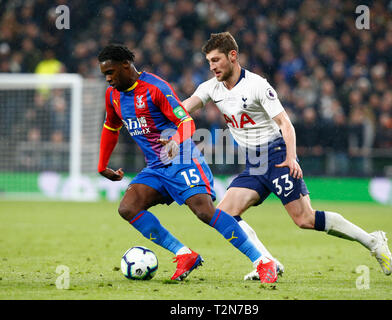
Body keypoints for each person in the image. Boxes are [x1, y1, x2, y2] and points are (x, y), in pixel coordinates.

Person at [182, 32, 392, 280]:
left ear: (232, 56)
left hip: (276, 154)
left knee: (305, 219)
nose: (212, 66)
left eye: (216, 60)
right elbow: (185, 107)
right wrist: (160, 111)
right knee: (224, 215)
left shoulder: (257, 85)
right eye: (209, 61)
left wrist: (291, 158)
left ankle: (373, 241)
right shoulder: (210, 88)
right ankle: (266, 262)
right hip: (254, 162)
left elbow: (285, 123)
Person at [97, 44, 277, 283]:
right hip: (156, 167)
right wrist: (102, 165)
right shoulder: (113, 95)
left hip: (182, 159)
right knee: (128, 208)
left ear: (125, 65)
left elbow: (186, 122)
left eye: (111, 72)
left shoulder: (156, 88)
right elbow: (111, 127)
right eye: (104, 74)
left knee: (204, 212)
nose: (108, 79)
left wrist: (173, 140)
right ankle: (185, 255)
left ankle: (263, 261)